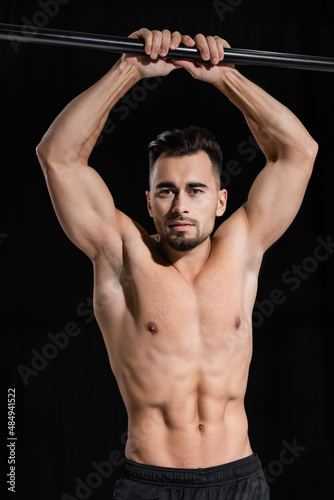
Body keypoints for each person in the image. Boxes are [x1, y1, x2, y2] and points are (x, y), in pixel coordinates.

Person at [36, 28, 318, 500]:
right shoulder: (123, 254)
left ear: (221, 200)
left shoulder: (243, 246)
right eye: (166, 191)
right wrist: (129, 69)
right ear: (149, 202)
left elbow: (299, 151)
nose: (180, 206)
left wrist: (226, 78)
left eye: (196, 190)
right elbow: (58, 157)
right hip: (151, 485)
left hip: (240, 483)